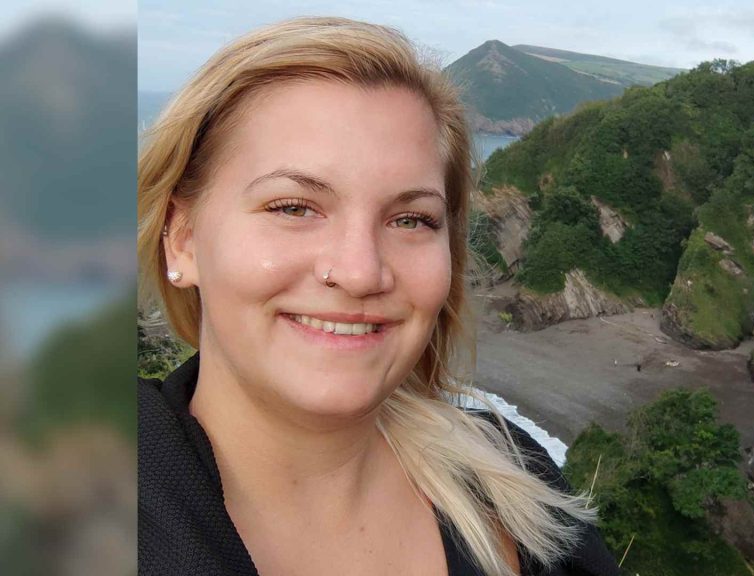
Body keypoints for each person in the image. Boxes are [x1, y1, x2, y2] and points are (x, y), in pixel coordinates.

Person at [137, 16, 619, 576]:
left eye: (411, 219)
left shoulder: (514, 487)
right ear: (183, 239)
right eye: (293, 207)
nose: (361, 272)